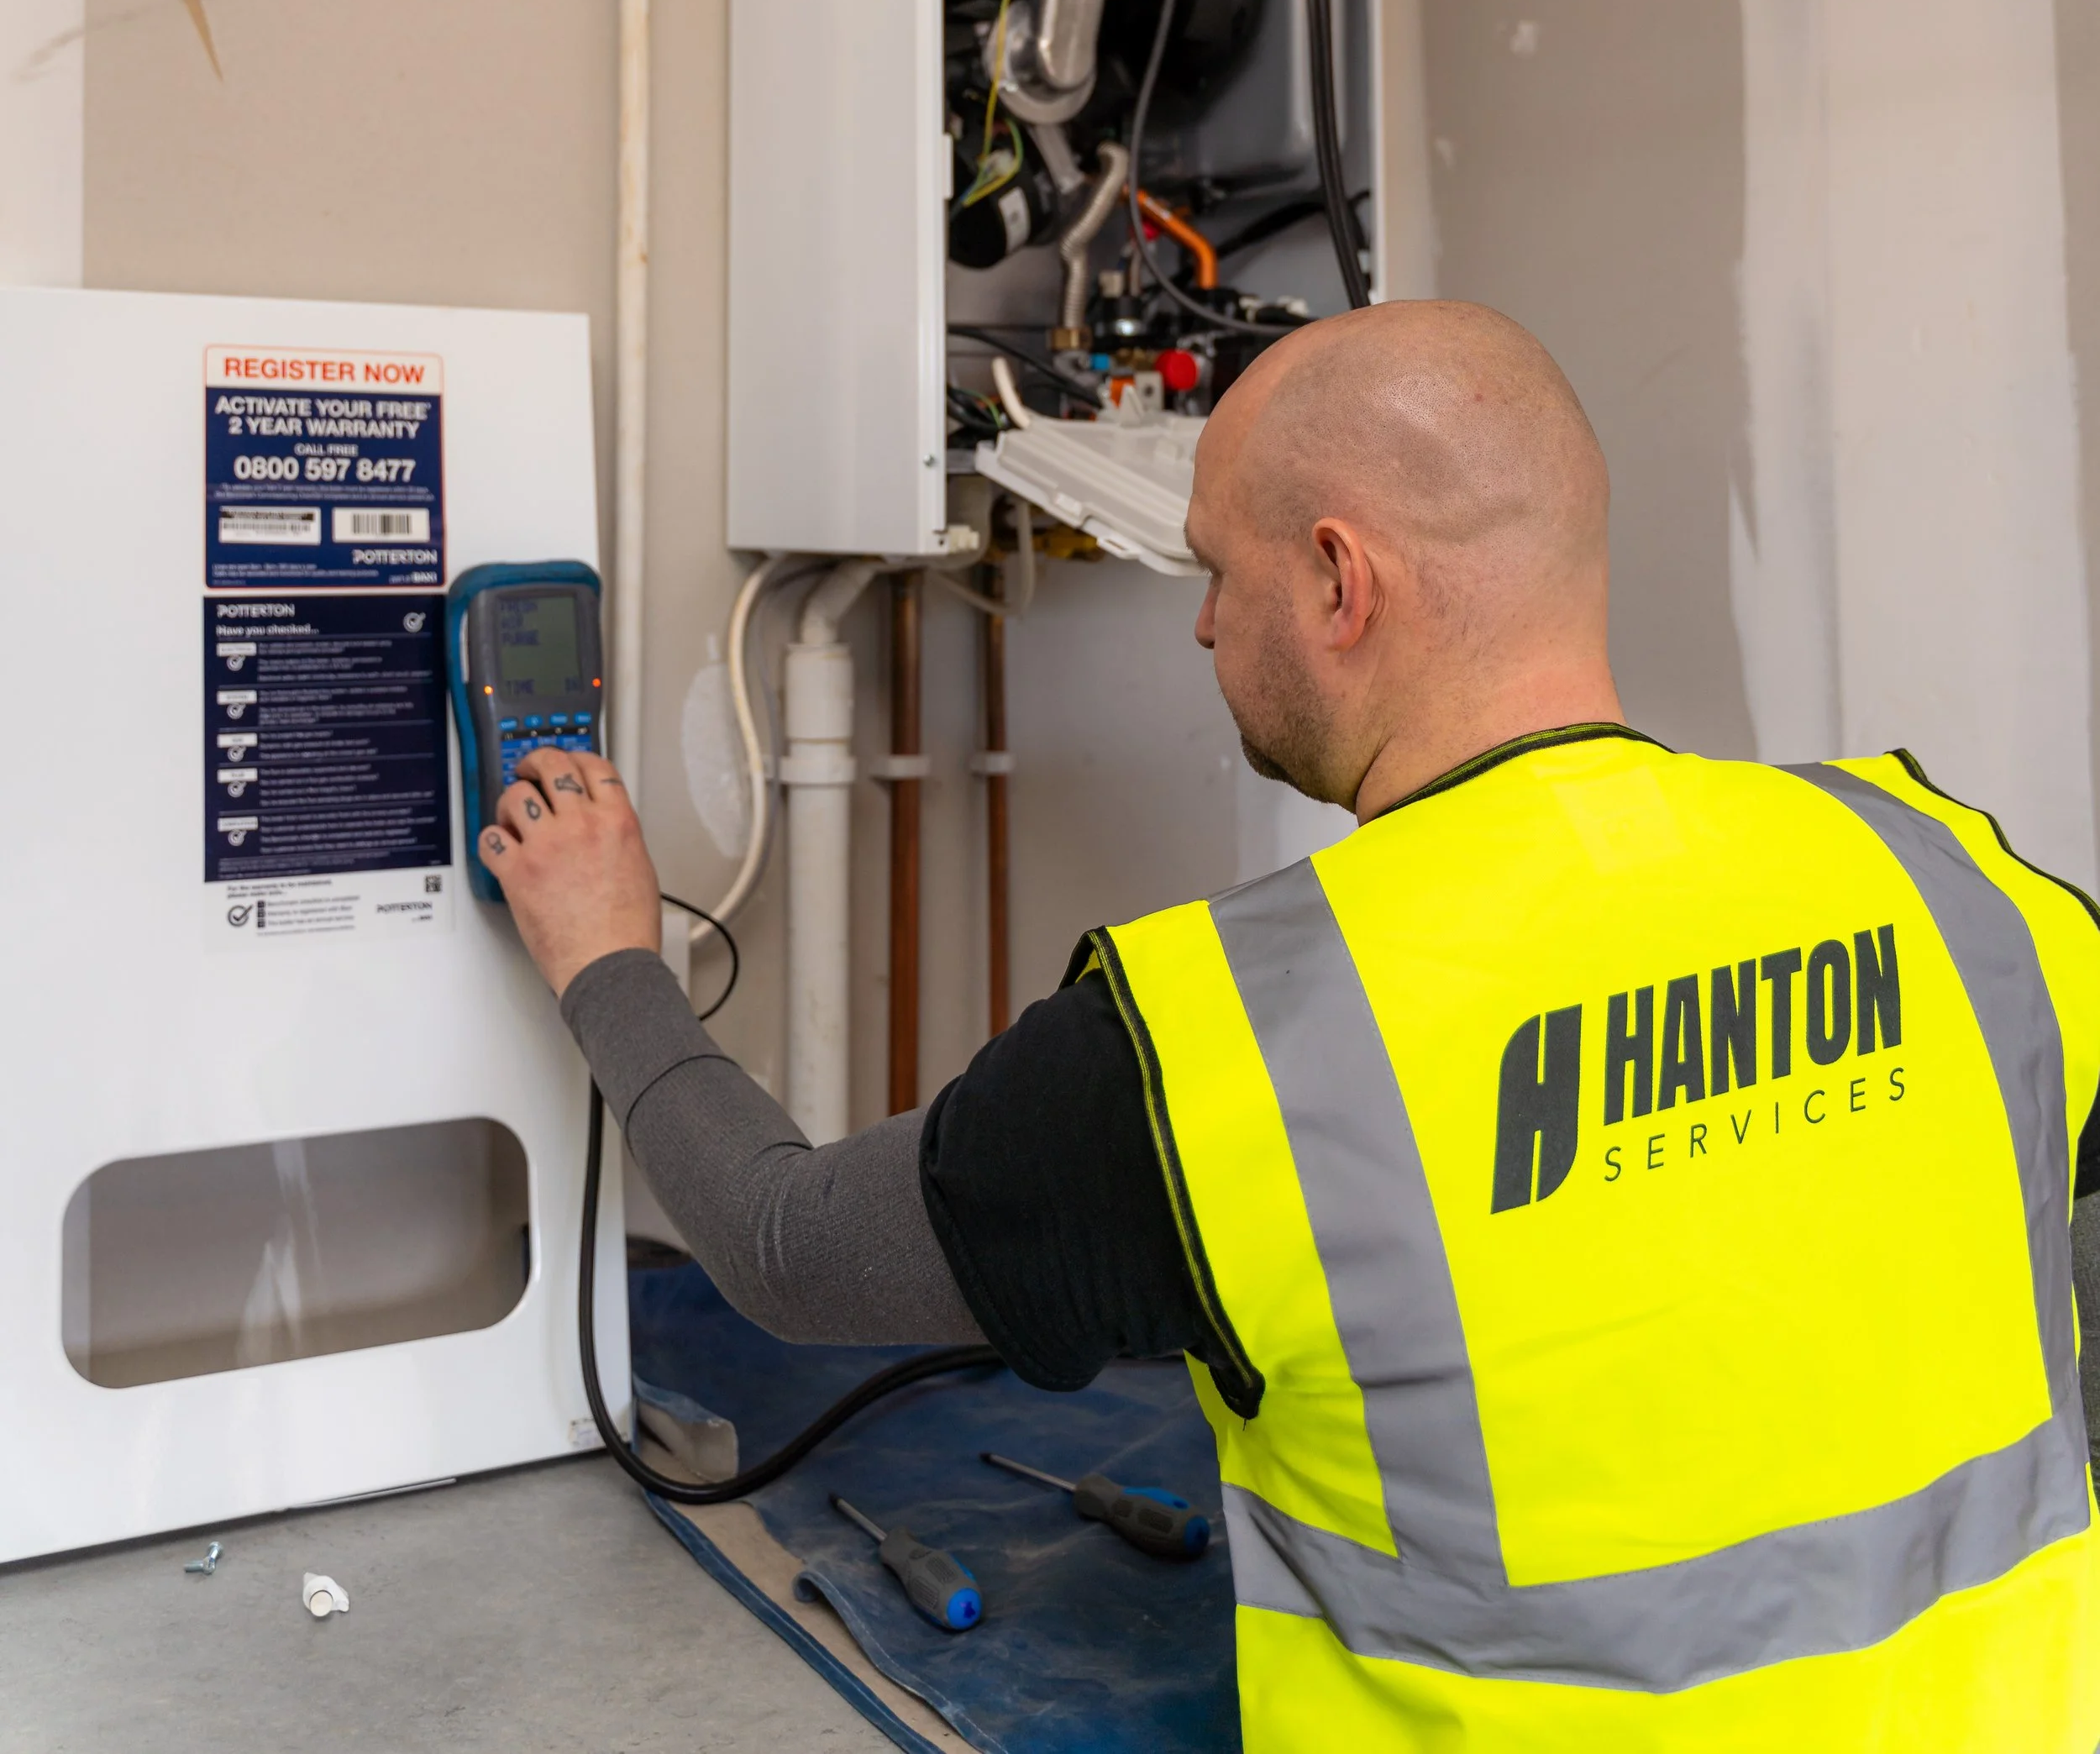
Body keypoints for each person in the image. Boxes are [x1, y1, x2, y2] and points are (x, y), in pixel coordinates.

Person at [482, 299, 2100, 1750]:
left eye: (1213, 569)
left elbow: (782, 1247)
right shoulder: (1951, 876)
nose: (1200, 627)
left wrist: (606, 956)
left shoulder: (1223, 1041)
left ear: (1339, 578)